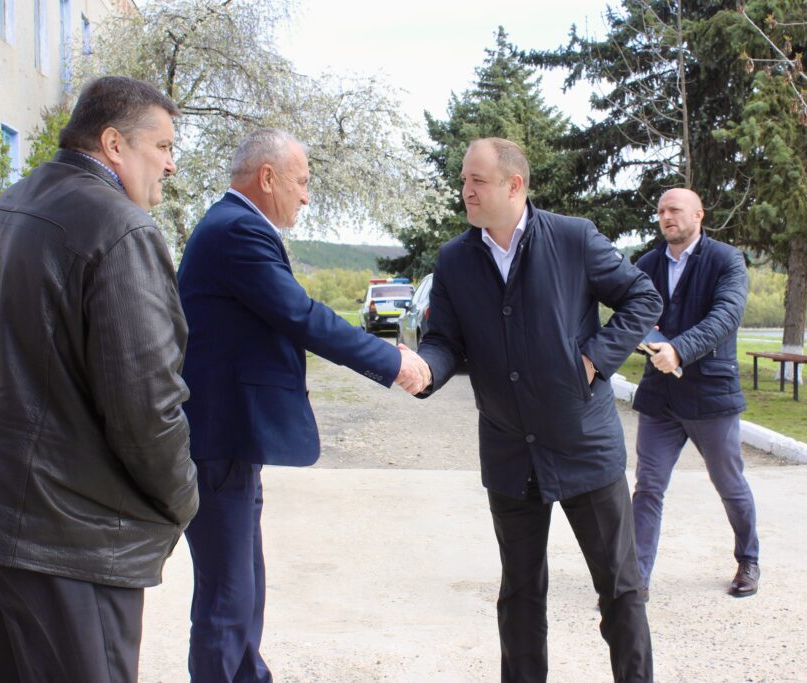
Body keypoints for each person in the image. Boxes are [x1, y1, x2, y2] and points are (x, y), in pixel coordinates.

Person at [0, 76, 198, 681]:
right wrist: (184, 497)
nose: (170, 164)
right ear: (113, 144)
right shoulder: (122, 229)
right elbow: (147, 406)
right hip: (64, 541)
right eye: (162, 146)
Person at [176, 128, 430, 682]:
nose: (307, 196)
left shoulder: (231, 224)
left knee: (243, 591)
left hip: (233, 440)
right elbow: (301, 315)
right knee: (227, 600)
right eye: (302, 181)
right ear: (268, 178)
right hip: (220, 439)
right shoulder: (237, 229)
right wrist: (391, 362)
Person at [415, 137, 662, 683]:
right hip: (509, 452)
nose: (466, 190)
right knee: (520, 595)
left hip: (584, 446)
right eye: (463, 180)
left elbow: (643, 297)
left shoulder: (574, 238)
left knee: (621, 590)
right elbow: (445, 340)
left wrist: (593, 359)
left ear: (514, 185)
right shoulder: (455, 259)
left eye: (477, 180)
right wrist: (426, 369)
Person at [631, 187, 760, 597]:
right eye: (660, 211)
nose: (666, 217)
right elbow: (632, 311)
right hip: (660, 398)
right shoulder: (646, 264)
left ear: (699, 214)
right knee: (647, 488)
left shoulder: (726, 260)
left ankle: (748, 559)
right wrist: (641, 336)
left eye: (675, 209)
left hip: (711, 396)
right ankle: (635, 580)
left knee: (729, 484)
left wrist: (679, 350)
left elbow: (726, 316)